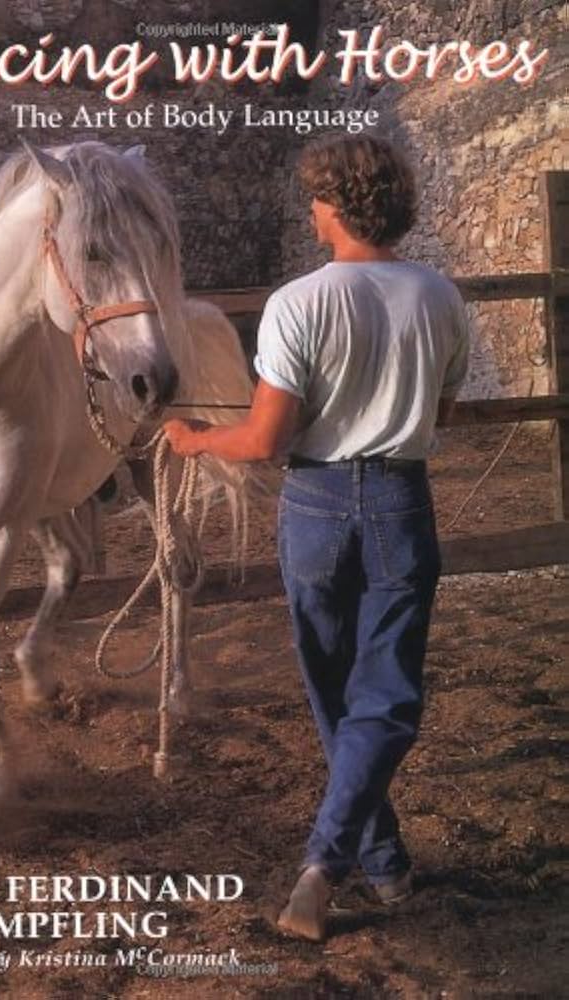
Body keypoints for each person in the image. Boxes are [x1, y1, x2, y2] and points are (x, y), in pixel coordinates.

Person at [163, 134, 470, 942]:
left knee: (335, 691)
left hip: (317, 506)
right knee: (386, 697)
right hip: (402, 502)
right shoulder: (438, 294)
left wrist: (196, 441)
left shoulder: (299, 302)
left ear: (335, 207)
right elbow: (440, 415)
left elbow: (266, 439)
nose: (310, 210)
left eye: (315, 198)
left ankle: (324, 866)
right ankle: (384, 858)